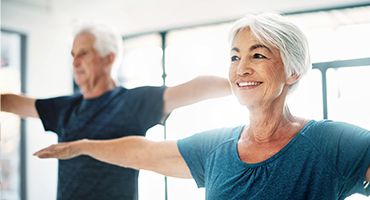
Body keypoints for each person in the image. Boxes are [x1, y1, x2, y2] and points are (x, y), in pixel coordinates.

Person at [33, 12, 370, 200]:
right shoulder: (218, 147)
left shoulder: (331, 143)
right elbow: (144, 152)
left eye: (258, 54)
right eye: (235, 57)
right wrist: (83, 146)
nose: (242, 68)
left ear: (293, 70)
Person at [1, 22, 232, 200]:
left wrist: (243, 85)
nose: (75, 62)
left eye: (83, 53)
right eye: (73, 55)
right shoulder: (64, 108)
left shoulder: (133, 102)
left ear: (108, 58)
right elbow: (12, 103)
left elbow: (194, 88)